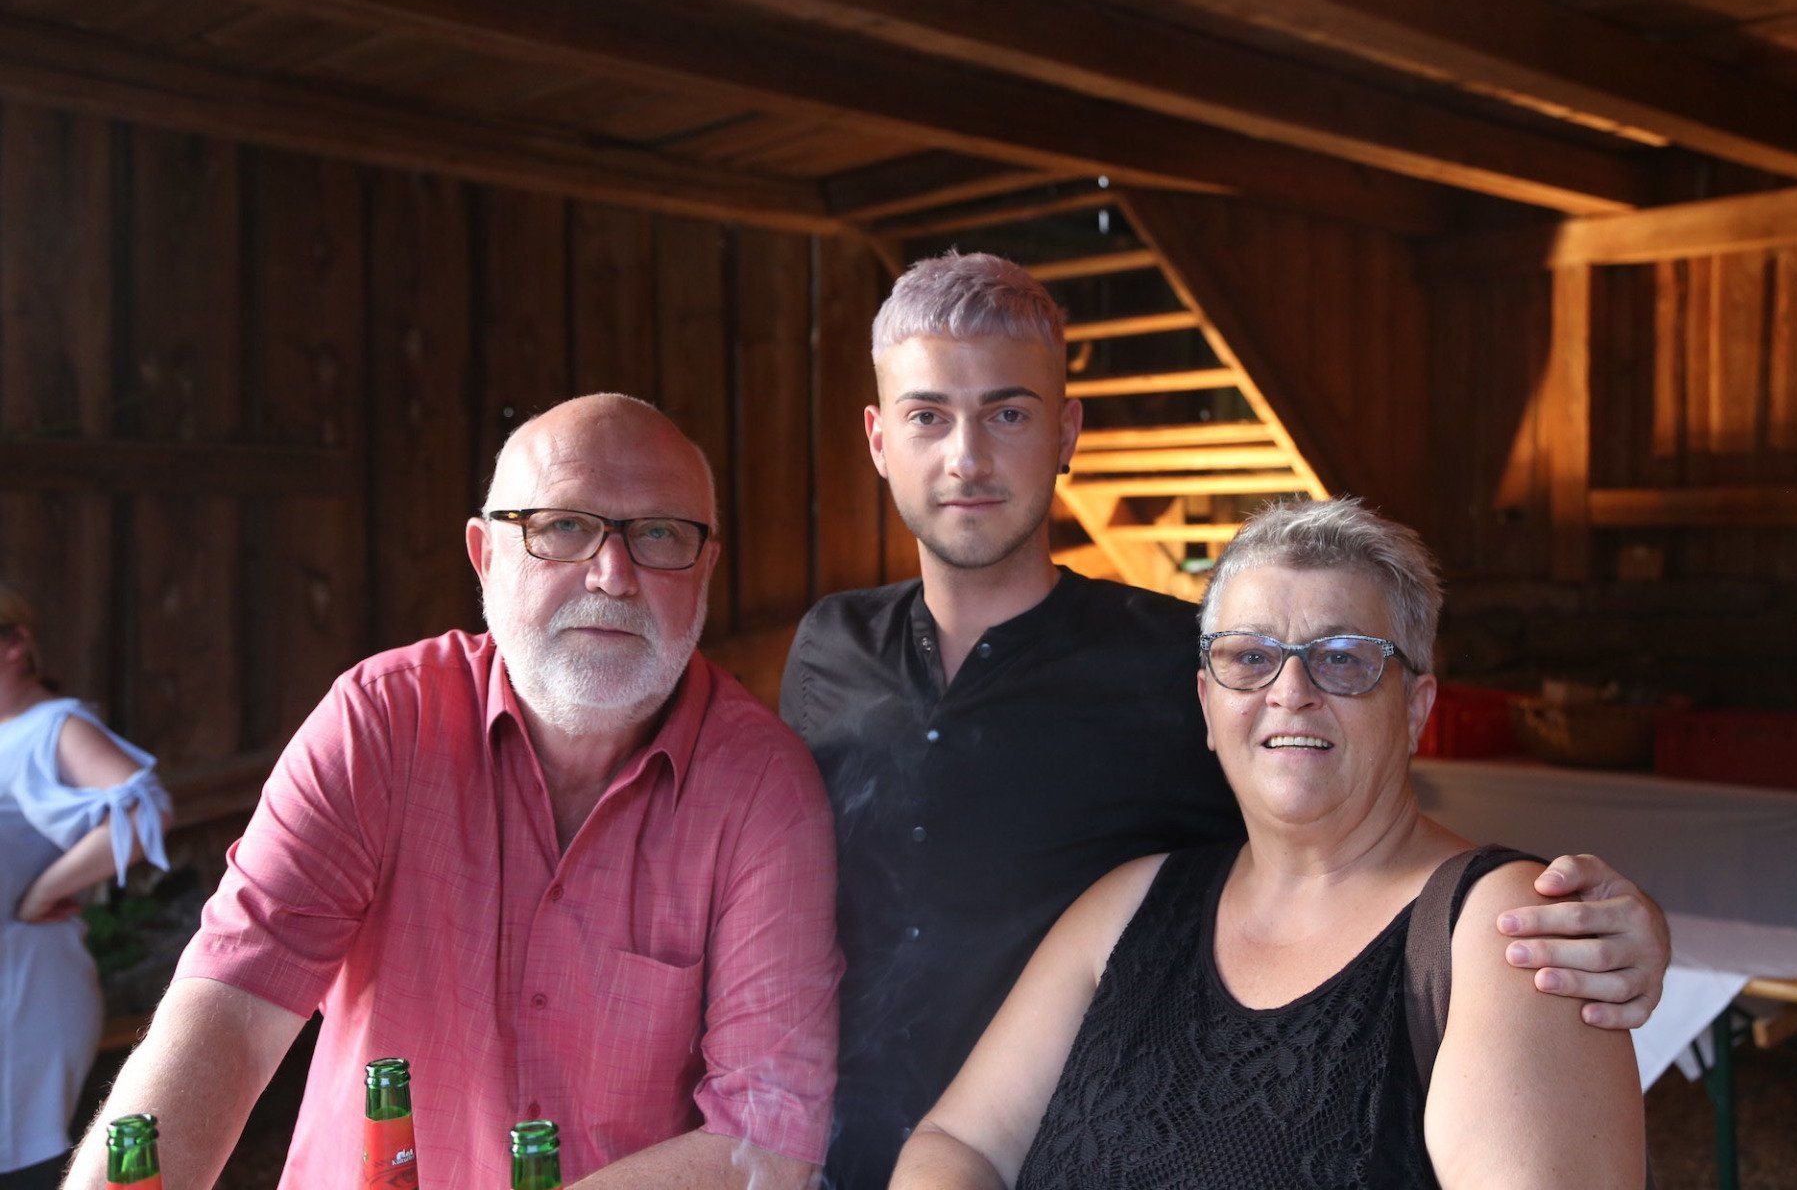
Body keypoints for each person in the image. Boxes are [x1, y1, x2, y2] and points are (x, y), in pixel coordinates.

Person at [780, 252, 1668, 1188]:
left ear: (1066, 432)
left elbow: (1359, 825)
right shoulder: (828, 647)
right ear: (879, 438)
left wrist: (1595, 921)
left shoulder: (1180, 661)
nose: (966, 457)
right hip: (835, 1152)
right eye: (927, 416)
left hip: (1075, 1139)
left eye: (1008, 414)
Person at [65, 395, 841, 1190]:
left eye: (661, 534)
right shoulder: (380, 722)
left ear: (705, 567)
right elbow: (232, 1004)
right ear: (486, 554)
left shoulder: (763, 789)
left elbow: (766, 1135)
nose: (613, 575)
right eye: (563, 526)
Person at [894, 499, 1645, 1188]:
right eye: (1250, 657)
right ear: (1206, 705)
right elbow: (960, 1142)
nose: (1290, 690)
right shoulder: (1132, 903)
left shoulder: (1500, 932)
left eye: (1343, 657)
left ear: (1416, 709)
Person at [1, 583, 171, 1190]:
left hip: (25, 991)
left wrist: (43, 892)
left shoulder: (53, 725)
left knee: (20, 1159)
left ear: (16, 644)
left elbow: (143, 808)